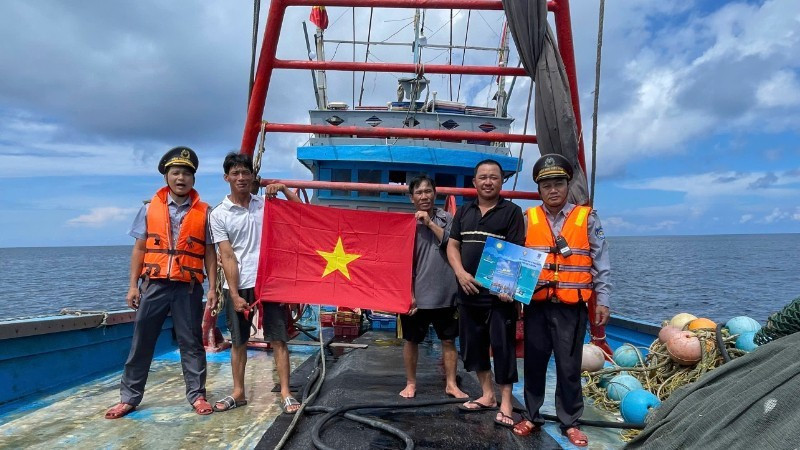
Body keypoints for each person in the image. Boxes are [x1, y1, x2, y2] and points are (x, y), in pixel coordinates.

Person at [105, 146, 218, 419]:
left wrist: (213, 287)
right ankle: (129, 398)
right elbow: (139, 249)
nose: (181, 178)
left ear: (194, 179)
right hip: (154, 285)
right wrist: (133, 286)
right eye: (176, 173)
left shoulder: (205, 212)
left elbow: (210, 253)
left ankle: (197, 395)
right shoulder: (148, 209)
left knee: (191, 342)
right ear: (166, 176)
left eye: (187, 174)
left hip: (187, 287)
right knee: (142, 341)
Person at [513, 153, 611, 447]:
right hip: (537, 305)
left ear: (567, 185)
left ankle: (570, 422)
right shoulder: (527, 219)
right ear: (539, 190)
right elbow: (516, 262)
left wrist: (603, 299)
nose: (553, 189)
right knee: (534, 363)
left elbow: (601, 262)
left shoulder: (587, 218)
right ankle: (531, 415)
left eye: (558, 183)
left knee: (569, 367)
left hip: (572, 307)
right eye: (547, 185)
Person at [209, 152, 303, 414]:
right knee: (238, 342)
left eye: (245, 172)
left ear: (252, 177)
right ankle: (238, 392)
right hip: (238, 285)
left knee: (278, 339)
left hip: (269, 282)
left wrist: (284, 189)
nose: (241, 177)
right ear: (227, 177)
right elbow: (226, 256)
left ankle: (285, 391)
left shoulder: (266, 204)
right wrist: (235, 294)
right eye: (235, 173)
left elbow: (300, 214)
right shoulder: (218, 214)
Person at [446, 159, 526, 428]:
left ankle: (505, 403)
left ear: (501, 181)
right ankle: (487, 395)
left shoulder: (512, 212)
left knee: (503, 348)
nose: (488, 181)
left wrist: (508, 288)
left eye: (494, 177)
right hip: (468, 291)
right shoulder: (464, 212)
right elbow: (453, 245)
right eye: (483, 177)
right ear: (474, 182)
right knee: (474, 345)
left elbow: (516, 251)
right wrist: (460, 272)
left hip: (497, 296)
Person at [398, 175, 469, 400]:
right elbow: (401, 263)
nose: (424, 196)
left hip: (446, 294)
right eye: (419, 192)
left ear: (435, 194)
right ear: (412, 198)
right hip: (417, 296)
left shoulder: (448, 219)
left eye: (428, 191)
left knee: (448, 341)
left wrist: (429, 223)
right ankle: (411, 383)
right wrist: (408, 295)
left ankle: (451, 384)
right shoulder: (405, 225)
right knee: (411, 340)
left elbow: (454, 245)